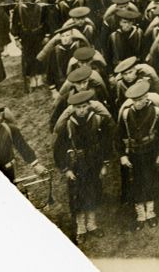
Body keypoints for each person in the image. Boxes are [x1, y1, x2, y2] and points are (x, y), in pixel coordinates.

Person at [53, 89, 113, 244]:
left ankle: (92, 225)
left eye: (84, 106)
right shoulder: (68, 125)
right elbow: (58, 148)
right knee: (77, 196)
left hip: (93, 162)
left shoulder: (97, 120)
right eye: (78, 107)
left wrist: (104, 164)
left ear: (89, 106)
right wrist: (66, 169)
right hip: (76, 165)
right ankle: (81, 228)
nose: (82, 110)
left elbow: (106, 143)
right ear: (73, 108)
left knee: (93, 192)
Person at [116, 80, 159, 230]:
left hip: (151, 151)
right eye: (135, 100)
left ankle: (150, 212)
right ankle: (140, 214)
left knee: (151, 180)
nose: (138, 103)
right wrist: (122, 155)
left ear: (147, 97)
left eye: (141, 99)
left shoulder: (155, 111)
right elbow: (119, 136)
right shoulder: (126, 114)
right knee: (136, 183)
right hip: (133, 153)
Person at [0, 102, 47, 183]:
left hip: (10, 171)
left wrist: (36, 165)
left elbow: (23, 147)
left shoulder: (10, 130)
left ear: (0, 117)